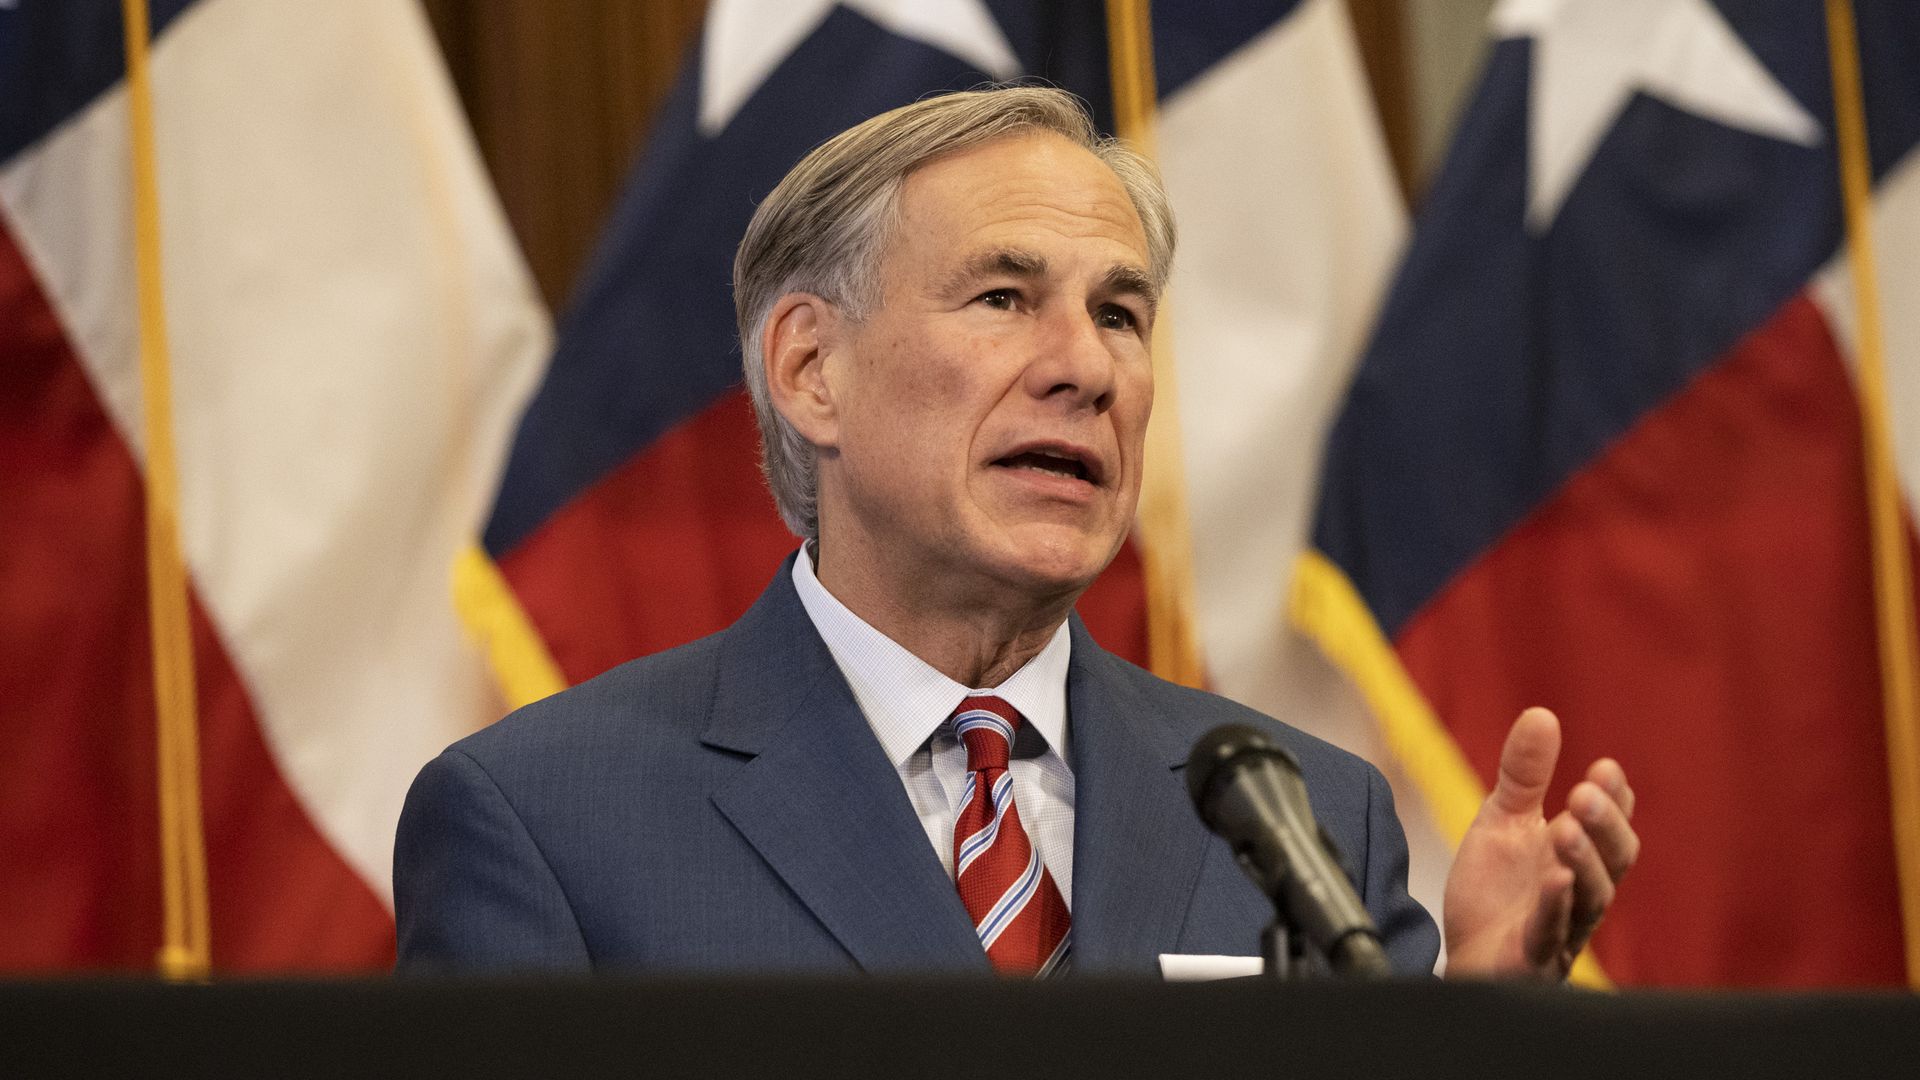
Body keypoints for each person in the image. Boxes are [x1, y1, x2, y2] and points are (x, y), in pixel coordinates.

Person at [394, 86, 1637, 978]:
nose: (1085, 368)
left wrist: (1476, 1032)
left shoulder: (1307, 817)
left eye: (1121, 314)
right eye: (1004, 297)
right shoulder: (548, 822)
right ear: (812, 369)